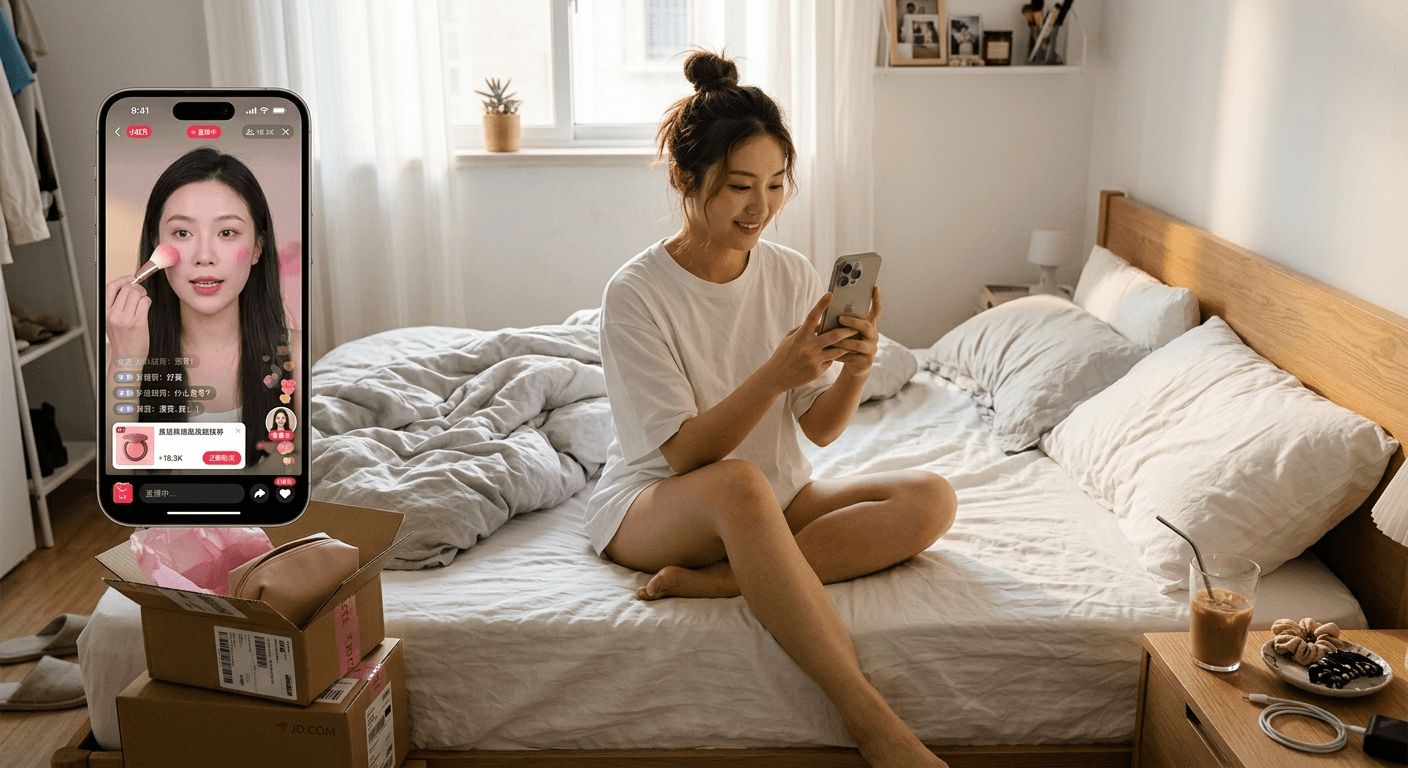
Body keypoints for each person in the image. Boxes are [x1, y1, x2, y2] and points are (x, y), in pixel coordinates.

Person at [584, 51, 956, 768]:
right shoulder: (635, 293)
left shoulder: (789, 272)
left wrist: (855, 366)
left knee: (930, 498)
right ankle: (873, 723)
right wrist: (774, 373)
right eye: (739, 187)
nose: (762, 207)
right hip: (658, 505)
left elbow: (815, 429)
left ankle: (734, 577)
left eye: (778, 184)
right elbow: (688, 456)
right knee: (738, 483)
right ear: (686, 181)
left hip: (770, 501)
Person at [105, 147, 298, 470]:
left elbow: (293, 476)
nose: (204, 255)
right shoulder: (123, 352)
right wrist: (127, 362)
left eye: (226, 232)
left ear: (257, 249)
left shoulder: (295, 354)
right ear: (156, 245)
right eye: (182, 233)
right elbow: (117, 474)